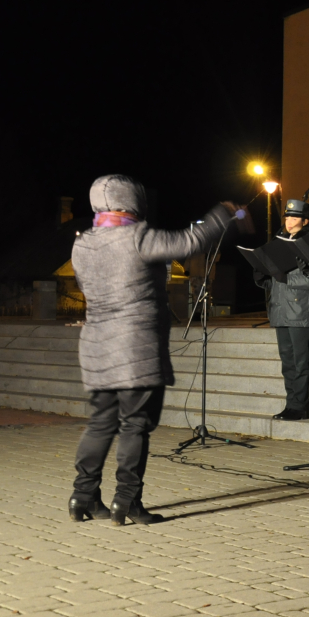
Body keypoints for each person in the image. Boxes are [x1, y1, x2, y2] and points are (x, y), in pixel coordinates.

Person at [70, 175, 240, 525]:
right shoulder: (138, 237)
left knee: (100, 424)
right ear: (133, 201)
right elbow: (189, 241)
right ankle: (127, 502)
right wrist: (222, 214)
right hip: (135, 349)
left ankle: (82, 496)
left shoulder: (83, 243)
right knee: (135, 425)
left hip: (97, 347)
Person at [257, 197, 309, 422]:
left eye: (294, 217)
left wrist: (285, 278)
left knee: (300, 361)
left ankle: (298, 405)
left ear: (304, 220)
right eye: (287, 216)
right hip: (280, 308)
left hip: (299, 309)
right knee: (287, 361)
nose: (289, 220)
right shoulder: (279, 239)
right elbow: (274, 274)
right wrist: (263, 275)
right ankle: (290, 403)